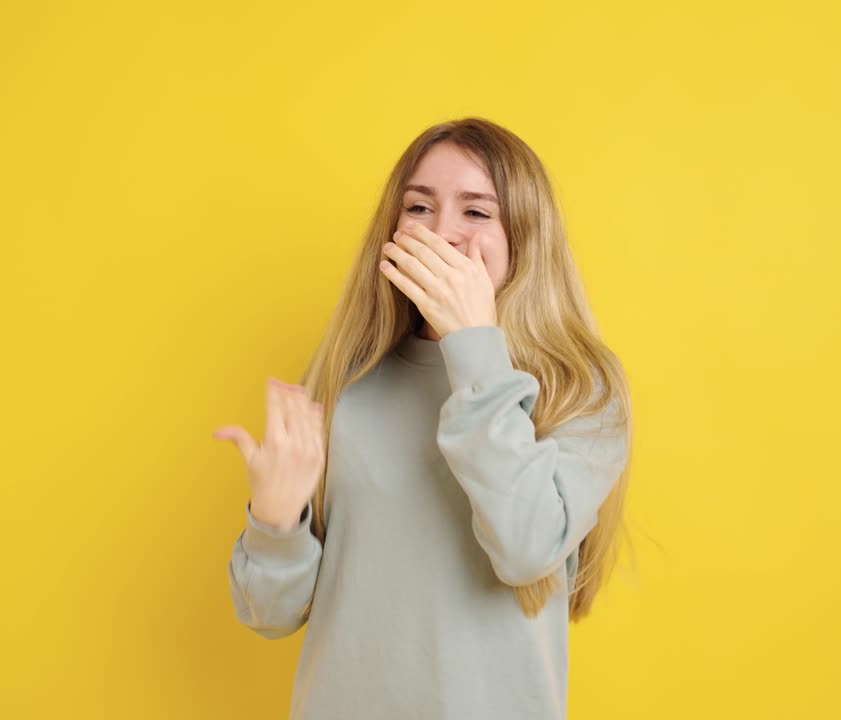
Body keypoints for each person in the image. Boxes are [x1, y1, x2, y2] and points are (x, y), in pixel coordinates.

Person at [213, 116, 634, 720]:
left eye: (477, 212)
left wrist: (474, 347)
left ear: (525, 234)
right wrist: (274, 522)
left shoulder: (579, 391)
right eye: (418, 208)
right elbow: (267, 615)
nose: (442, 234)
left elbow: (525, 546)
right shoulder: (345, 384)